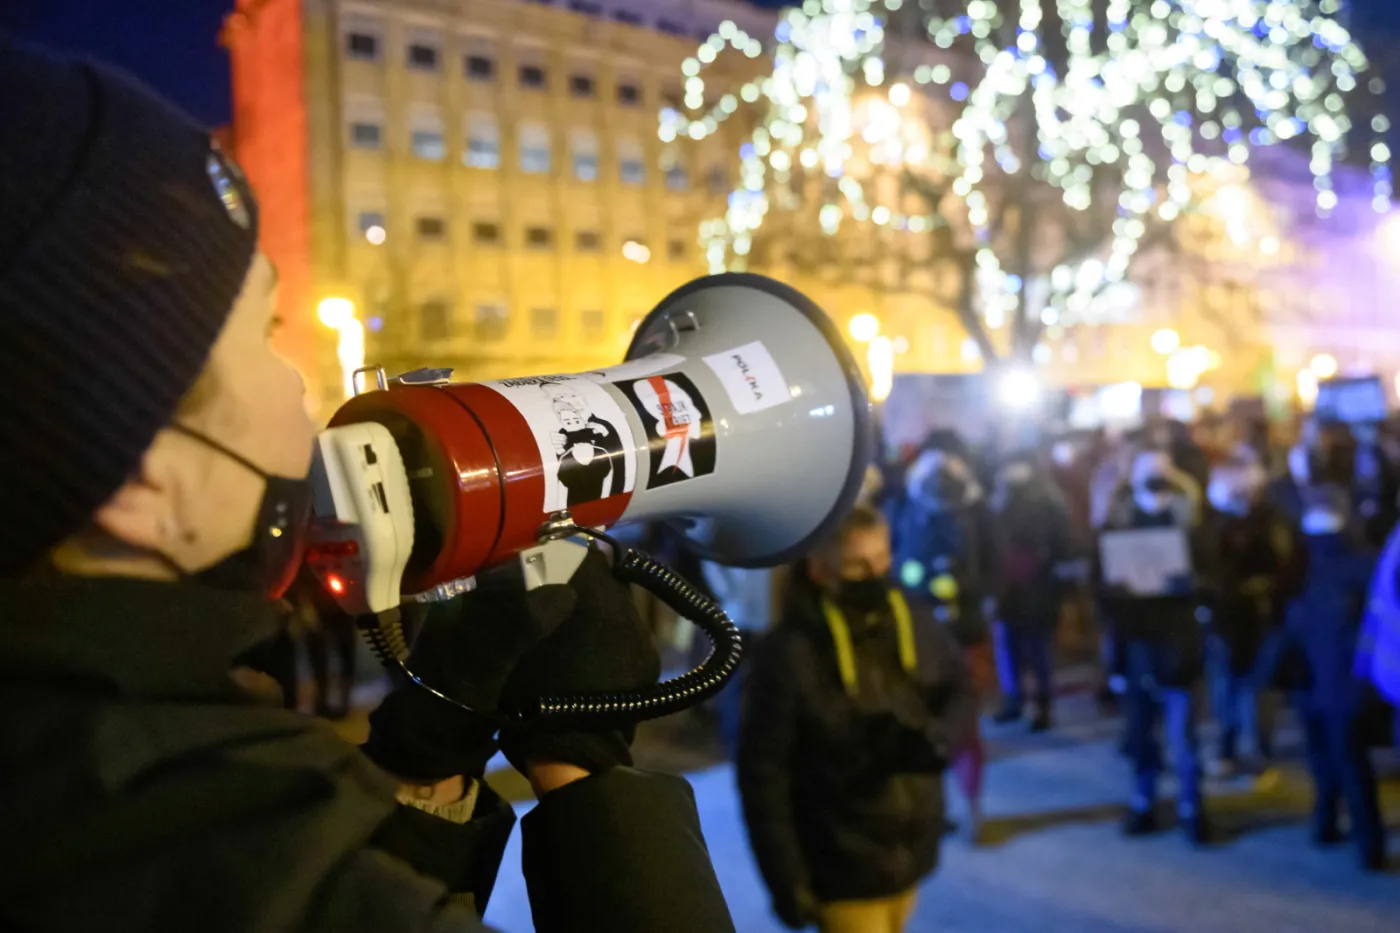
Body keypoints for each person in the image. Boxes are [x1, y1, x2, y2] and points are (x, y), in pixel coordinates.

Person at [0, 41, 734, 932]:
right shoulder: (217, 855)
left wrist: (434, 740)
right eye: (264, 338)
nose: (298, 392)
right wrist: (587, 779)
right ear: (142, 480)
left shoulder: (90, 781)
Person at [738, 505, 973, 933]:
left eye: (883, 560)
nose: (876, 574)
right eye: (858, 565)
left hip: (909, 859)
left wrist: (939, 739)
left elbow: (957, 685)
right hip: (842, 870)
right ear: (820, 569)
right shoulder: (790, 654)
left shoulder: (911, 618)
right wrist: (786, 882)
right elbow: (762, 777)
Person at [1097, 449, 1214, 844]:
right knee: (1142, 733)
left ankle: (1190, 805)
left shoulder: (1192, 523)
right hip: (1138, 647)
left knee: (1184, 735)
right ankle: (1143, 801)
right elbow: (1102, 589)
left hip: (1178, 645)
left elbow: (1212, 578)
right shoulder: (1120, 523)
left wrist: (1193, 585)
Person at [888, 431, 996, 841]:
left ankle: (971, 809)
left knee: (964, 726)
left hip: (962, 633)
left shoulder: (977, 513)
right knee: (921, 725)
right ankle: (933, 809)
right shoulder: (904, 508)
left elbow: (992, 569)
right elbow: (895, 562)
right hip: (917, 633)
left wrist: (970, 590)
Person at [1282, 484, 1388, 871]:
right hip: (1326, 680)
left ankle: (1364, 840)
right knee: (1333, 758)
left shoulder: (1344, 566)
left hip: (1336, 681)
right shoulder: (1333, 564)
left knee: (1343, 759)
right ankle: (1336, 826)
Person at [1201, 447, 1292, 776]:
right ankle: (1228, 746)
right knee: (1227, 687)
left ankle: (1261, 748)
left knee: (1259, 688)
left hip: (1260, 617)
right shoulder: (1215, 524)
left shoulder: (1270, 521)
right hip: (1225, 620)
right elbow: (1208, 566)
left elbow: (1281, 566)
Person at [988, 452, 1074, 731]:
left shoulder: (1049, 501)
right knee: (1010, 648)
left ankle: (1042, 706)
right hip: (1010, 589)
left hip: (1038, 587)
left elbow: (1063, 545)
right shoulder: (1000, 499)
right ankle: (1015, 700)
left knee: (1038, 651)